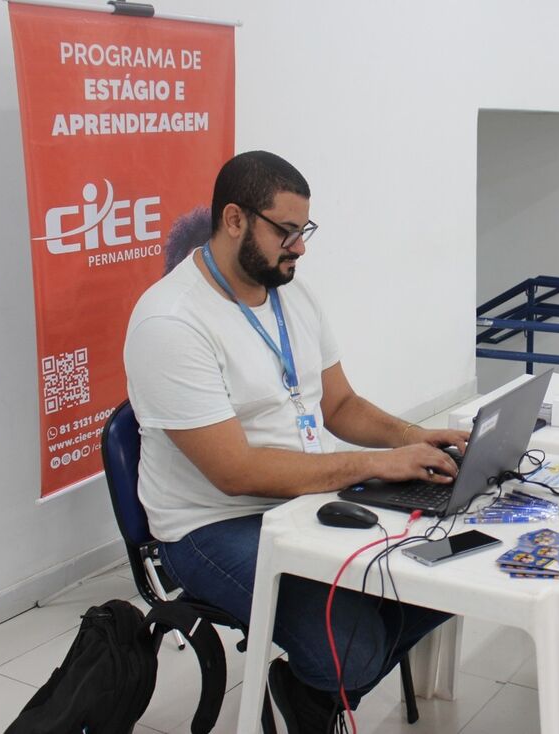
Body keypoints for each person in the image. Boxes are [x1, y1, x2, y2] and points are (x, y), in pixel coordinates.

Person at [123, 151, 466, 731]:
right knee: (351, 652)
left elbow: (340, 405)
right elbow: (235, 472)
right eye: (285, 230)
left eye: (304, 230)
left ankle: (322, 681)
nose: (299, 246)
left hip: (301, 494)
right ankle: (318, 688)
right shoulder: (171, 323)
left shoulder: (291, 294)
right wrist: (380, 463)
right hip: (213, 523)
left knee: (457, 564)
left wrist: (417, 437)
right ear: (234, 219)